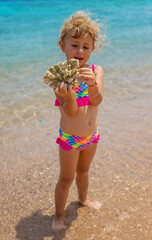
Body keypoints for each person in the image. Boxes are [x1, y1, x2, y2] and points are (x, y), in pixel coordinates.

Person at [52, 11, 105, 230]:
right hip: (70, 139)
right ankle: (58, 216)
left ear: (93, 49)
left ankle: (83, 199)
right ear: (62, 45)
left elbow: (97, 100)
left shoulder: (96, 70)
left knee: (84, 172)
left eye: (86, 46)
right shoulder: (59, 78)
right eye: (74, 45)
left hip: (91, 137)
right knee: (66, 179)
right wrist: (69, 94)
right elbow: (70, 113)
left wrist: (92, 84)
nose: (80, 51)